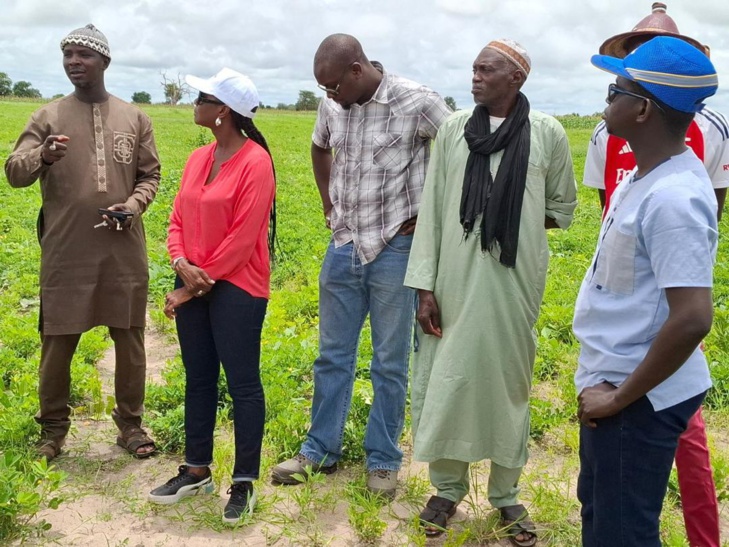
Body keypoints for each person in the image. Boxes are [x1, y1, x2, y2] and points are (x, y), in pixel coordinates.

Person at [403, 39, 577, 544]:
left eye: (487, 70)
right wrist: (425, 289)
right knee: (449, 379)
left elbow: (560, 207)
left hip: (512, 282)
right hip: (452, 282)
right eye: (473, 69)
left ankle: (506, 494)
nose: (475, 77)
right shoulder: (454, 130)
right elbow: (434, 211)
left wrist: (507, 222)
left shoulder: (547, 133)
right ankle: (446, 489)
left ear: (516, 78)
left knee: (508, 382)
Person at [271, 33, 452, 499]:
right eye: (324, 90)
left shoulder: (418, 101)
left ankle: (384, 460)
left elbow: (458, 157)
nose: (329, 97)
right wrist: (329, 206)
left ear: (357, 70)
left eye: (334, 86)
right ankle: (319, 450)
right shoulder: (333, 104)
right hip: (344, 245)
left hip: (396, 249)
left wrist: (430, 217)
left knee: (389, 362)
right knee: (332, 356)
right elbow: (319, 147)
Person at [582, 5, 726, 546]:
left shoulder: (673, 198)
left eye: (616, 91)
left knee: (623, 532)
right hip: (613, 378)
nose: (606, 101)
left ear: (642, 110)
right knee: (601, 513)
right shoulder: (642, 180)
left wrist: (618, 400)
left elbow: (692, 319)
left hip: (635, 396)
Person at [4, 24, 160, 461]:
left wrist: (133, 204)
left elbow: (150, 175)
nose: (74, 61)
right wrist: (42, 155)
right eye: (68, 54)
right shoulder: (47, 117)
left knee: (129, 340)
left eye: (83, 54)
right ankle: (52, 431)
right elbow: (15, 172)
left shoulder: (135, 118)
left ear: (104, 62)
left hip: (122, 251)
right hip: (66, 251)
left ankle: (130, 425)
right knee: (58, 341)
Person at [146, 68, 276, 525]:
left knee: (243, 385)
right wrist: (181, 263)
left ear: (222, 111)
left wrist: (190, 287)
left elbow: (243, 241)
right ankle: (197, 469)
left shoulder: (256, 162)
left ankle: (243, 481)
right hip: (194, 284)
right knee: (198, 379)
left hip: (239, 287)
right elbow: (177, 218)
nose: (193, 103)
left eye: (201, 98)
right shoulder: (198, 158)